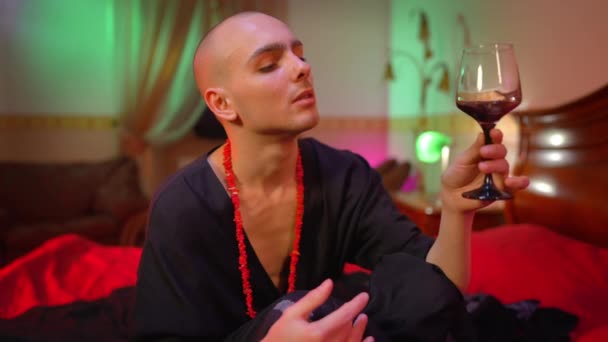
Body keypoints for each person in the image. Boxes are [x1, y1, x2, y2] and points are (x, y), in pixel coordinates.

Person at [133, 11, 529, 342]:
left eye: (300, 55)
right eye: (270, 64)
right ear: (222, 103)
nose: (302, 68)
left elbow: (438, 289)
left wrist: (455, 211)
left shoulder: (345, 175)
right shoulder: (181, 207)